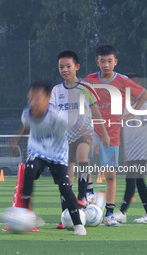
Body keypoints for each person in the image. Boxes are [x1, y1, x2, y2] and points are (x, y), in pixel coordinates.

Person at [85, 44, 147, 226]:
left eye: (109, 61)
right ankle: (88, 193)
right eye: (102, 61)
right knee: (83, 160)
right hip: (92, 129)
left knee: (110, 175)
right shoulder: (89, 80)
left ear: (115, 62)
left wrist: (130, 113)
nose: (106, 65)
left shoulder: (122, 80)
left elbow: (143, 94)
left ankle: (109, 215)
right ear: (97, 62)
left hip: (112, 132)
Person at [12, 79, 87, 235]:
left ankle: (78, 225)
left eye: (37, 98)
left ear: (48, 99)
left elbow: (74, 126)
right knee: (30, 169)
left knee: (65, 188)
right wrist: (16, 140)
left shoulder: (58, 117)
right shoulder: (27, 114)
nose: (33, 102)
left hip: (57, 155)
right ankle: (26, 215)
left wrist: (85, 134)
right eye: (30, 98)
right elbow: (26, 126)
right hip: (37, 152)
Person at [49, 50, 110, 229]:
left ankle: (83, 196)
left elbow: (96, 111)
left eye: (68, 66)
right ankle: (65, 214)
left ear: (77, 67)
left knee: (83, 154)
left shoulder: (86, 88)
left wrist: (104, 134)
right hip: (63, 137)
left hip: (85, 134)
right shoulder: (56, 90)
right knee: (66, 176)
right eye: (61, 67)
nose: (65, 70)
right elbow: (52, 113)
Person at [113, 73, 147, 224]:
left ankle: (122, 212)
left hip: (141, 150)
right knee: (139, 182)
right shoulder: (123, 108)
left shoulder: (144, 106)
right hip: (130, 151)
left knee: (130, 179)